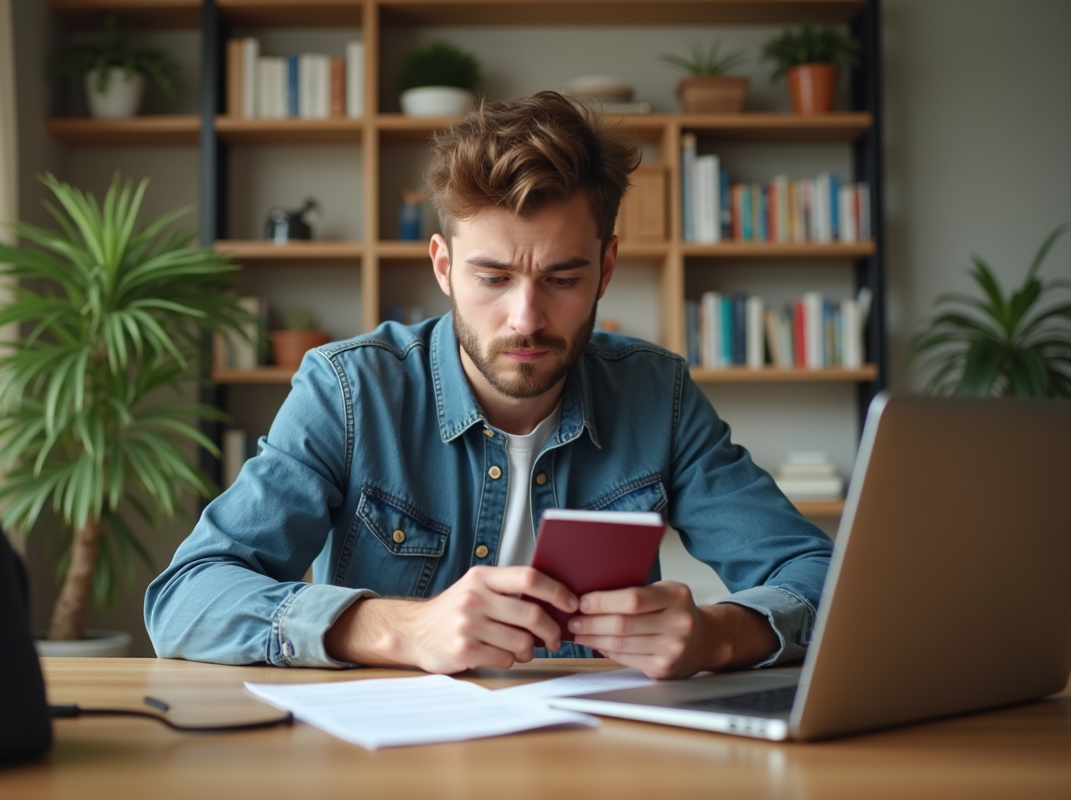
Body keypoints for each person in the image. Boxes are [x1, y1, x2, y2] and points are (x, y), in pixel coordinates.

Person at [145, 91, 833, 679]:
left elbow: (822, 575)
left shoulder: (660, 396)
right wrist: (395, 629)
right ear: (443, 266)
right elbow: (186, 597)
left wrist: (721, 634)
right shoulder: (348, 393)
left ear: (607, 265)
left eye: (563, 278)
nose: (527, 318)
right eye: (494, 278)